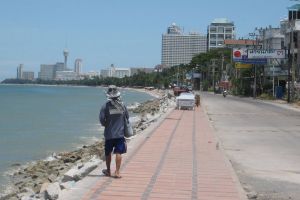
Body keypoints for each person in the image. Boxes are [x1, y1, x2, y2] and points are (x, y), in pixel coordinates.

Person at [99, 85, 129, 178]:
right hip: (120, 134)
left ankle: (108, 171)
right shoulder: (122, 105)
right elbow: (127, 117)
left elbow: (101, 119)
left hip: (109, 134)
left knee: (108, 153)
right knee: (118, 153)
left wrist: (106, 124)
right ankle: (117, 172)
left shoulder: (106, 105)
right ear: (118, 95)